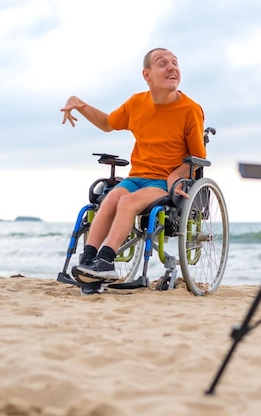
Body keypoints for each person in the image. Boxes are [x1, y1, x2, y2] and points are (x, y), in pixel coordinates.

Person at [60, 47, 206, 284]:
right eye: (162, 63)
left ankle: (106, 261)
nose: (172, 67)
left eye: (175, 63)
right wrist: (79, 104)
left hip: (162, 181)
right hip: (137, 177)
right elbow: (107, 123)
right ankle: (88, 260)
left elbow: (196, 158)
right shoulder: (137, 103)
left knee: (127, 201)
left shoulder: (190, 110)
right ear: (147, 75)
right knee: (111, 198)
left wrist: (174, 177)